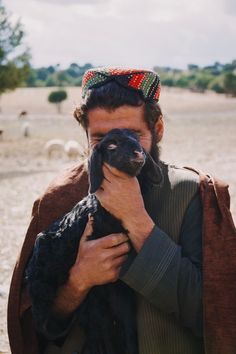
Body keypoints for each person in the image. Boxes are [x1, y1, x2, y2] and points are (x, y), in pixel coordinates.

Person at [9, 68, 205, 354]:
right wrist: (78, 282)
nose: (119, 153)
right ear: (85, 136)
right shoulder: (58, 198)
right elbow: (35, 326)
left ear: (158, 129)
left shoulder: (191, 195)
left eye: (133, 136)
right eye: (101, 139)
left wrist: (137, 221)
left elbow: (212, 313)